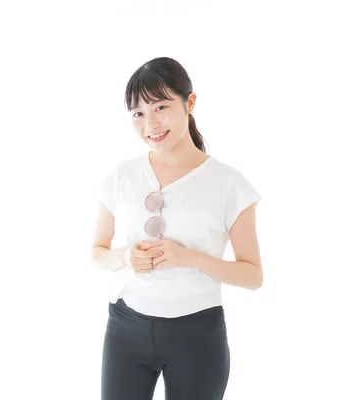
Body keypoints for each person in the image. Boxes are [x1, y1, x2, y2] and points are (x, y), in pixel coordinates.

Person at [90, 57, 263, 400]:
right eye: (138, 113)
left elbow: (253, 276)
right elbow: (97, 254)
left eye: (161, 107)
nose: (150, 124)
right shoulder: (121, 176)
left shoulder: (228, 183)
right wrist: (126, 255)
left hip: (197, 336)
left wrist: (190, 258)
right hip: (126, 329)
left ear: (191, 103)